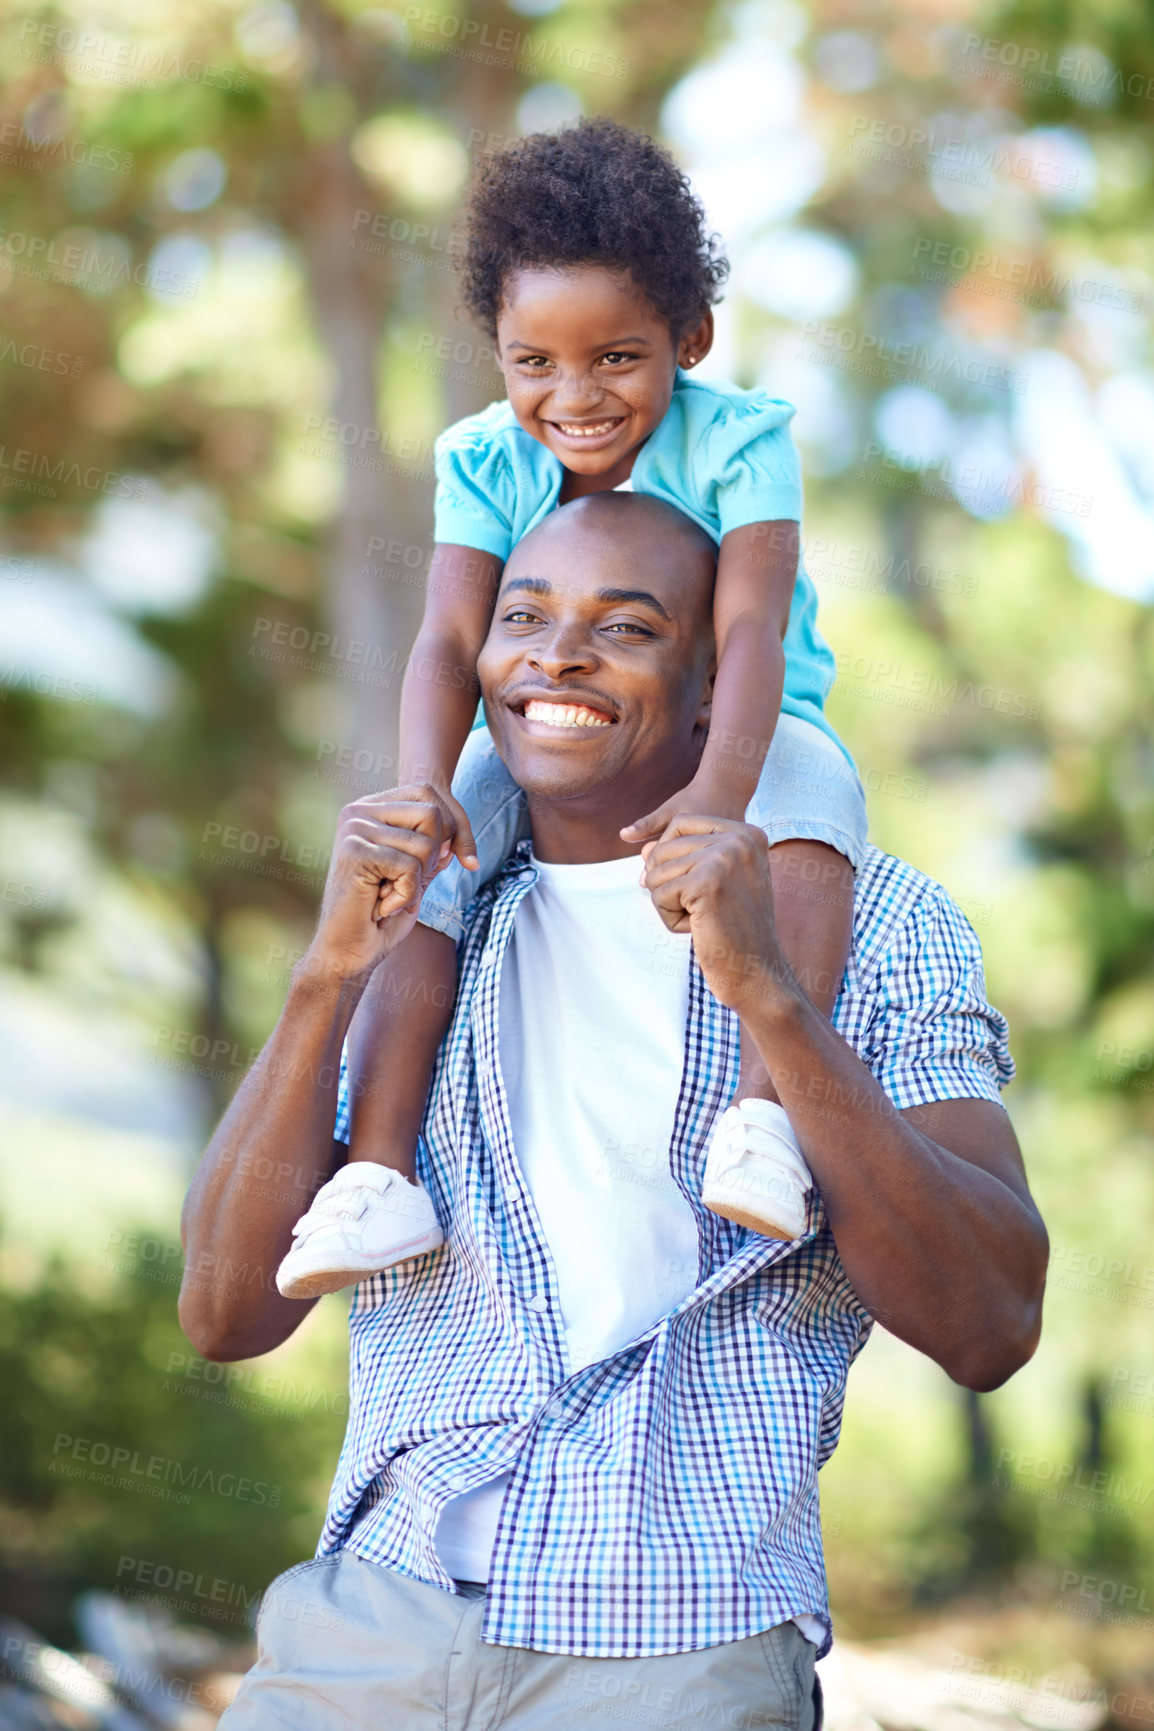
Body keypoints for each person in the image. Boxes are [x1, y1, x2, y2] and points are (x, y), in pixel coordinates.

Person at [181, 492, 1048, 1731]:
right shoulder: (419, 937)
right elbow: (224, 1311)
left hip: (678, 1642)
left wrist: (774, 1001)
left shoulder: (876, 921)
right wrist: (324, 979)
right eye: (522, 616)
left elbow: (989, 1322)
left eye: (625, 628)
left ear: (717, 690)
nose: (557, 654)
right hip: (371, 1623)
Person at [274, 117, 870, 1300]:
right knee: (425, 881)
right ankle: (381, 1169)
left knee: (806, 816)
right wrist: (425, 789)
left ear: (686, 338)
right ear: (496, 349)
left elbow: (748, 629)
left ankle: (762, 1119)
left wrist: (717, 795)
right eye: (532, 361)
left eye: (615, 357)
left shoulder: (738, 440)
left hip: (754, 715)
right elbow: (451, 636)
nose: (573, 394)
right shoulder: (483, 460)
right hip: (558, 732)